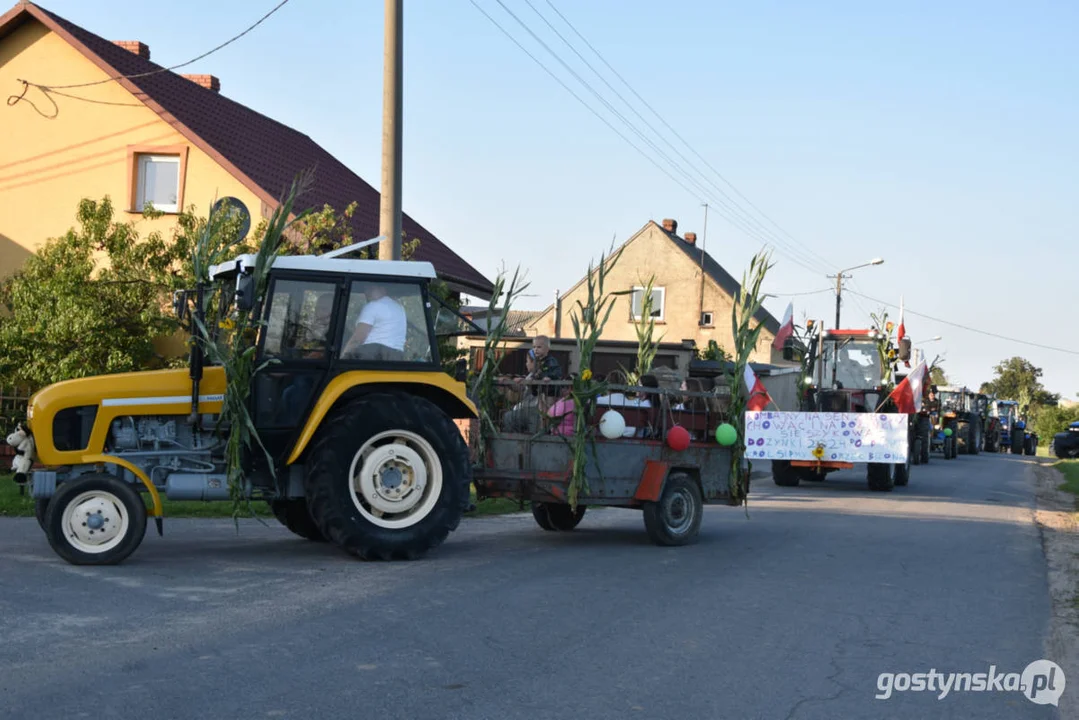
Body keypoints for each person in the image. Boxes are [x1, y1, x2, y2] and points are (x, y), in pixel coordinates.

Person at [342, 283, 407, 360]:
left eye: (371, 289)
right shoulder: (399, 308)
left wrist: (342, 357)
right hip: (396, 357)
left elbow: (357, 339)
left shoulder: (373, 305)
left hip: (373, 354)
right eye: (366, 289)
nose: (367, 293)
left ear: (383, 289)